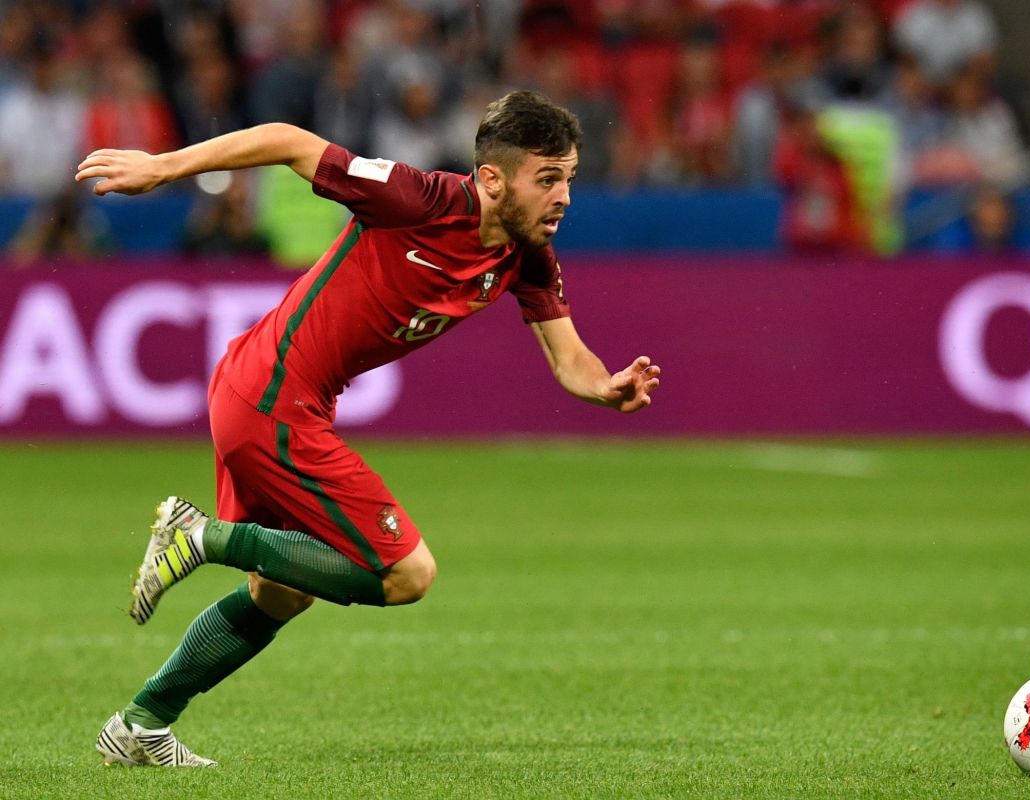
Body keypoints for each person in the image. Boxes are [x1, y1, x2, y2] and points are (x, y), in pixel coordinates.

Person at [75, 90, 662, 767]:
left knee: (283, 589)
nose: (563, 198)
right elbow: (289, 139)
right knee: (406, 573)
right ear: (493, 179)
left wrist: (606, 386)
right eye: (548, 179)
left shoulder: (527, 255)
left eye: (570, 179)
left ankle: (141, 725)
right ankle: (201, 536)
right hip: (272, 395)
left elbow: (569, 359)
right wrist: (162, 167)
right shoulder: (418, 200)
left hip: (267, 392)